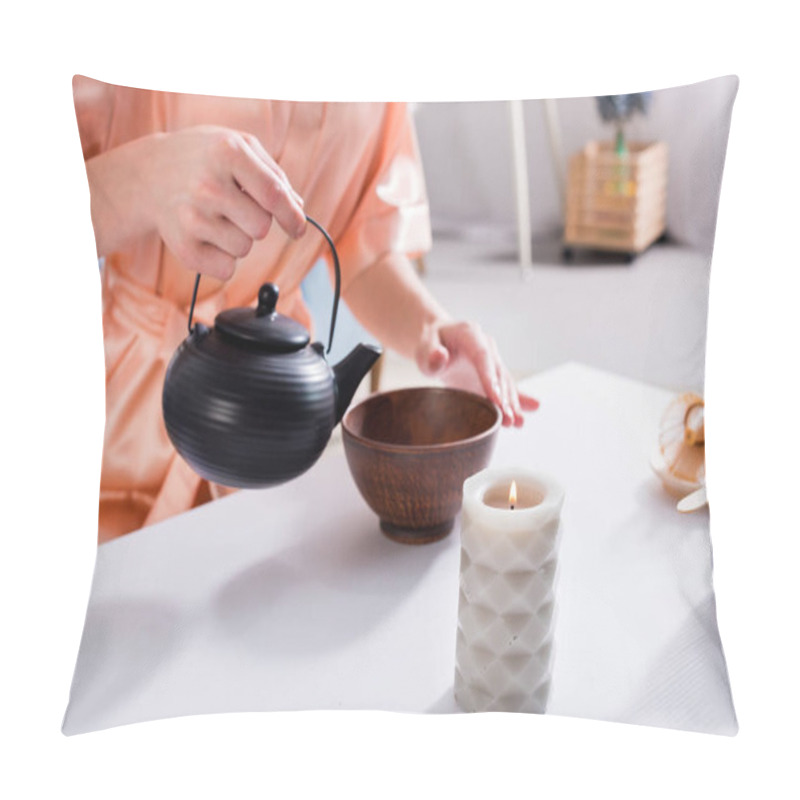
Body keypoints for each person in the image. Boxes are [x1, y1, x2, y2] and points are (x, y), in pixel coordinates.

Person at [73, 75, 539, 542]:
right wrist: (147, 176)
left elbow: (364, 248)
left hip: (269, 446)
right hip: (102, 433)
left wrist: (432, 330)